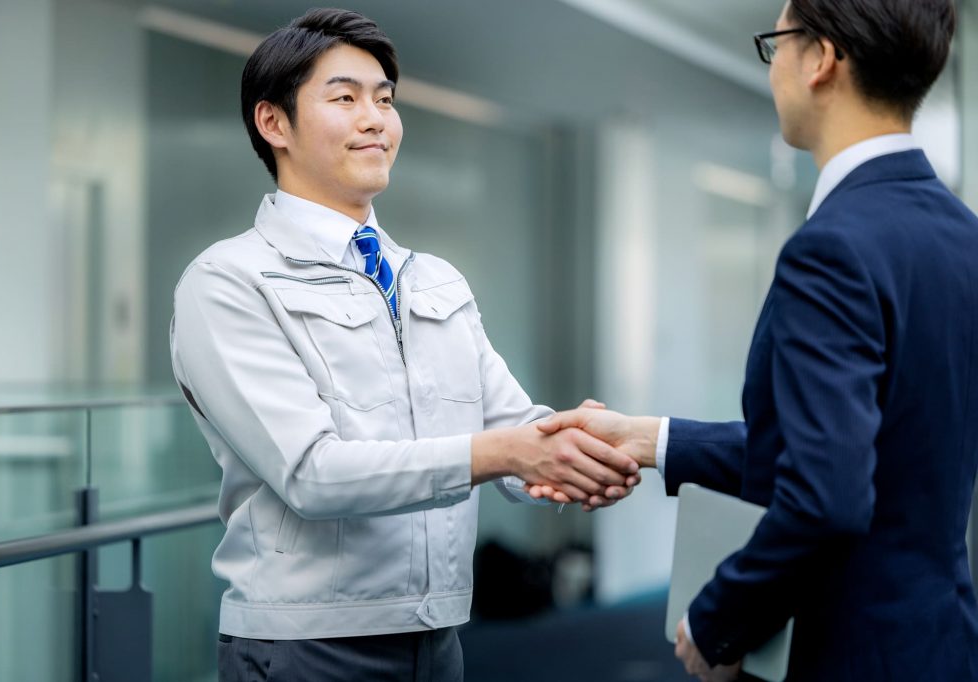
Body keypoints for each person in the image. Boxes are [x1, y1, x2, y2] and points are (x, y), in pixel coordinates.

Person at [169, 8, 637, 682]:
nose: (375, 119)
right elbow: (312, 473)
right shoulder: (229, 281)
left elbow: (510, 429)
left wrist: (577, 453)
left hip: (438, 636)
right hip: (308, 646)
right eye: (345, 98)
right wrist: (509, 450)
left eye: (385, 100)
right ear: (274, 124)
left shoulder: (434, 278)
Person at [537, 0, 978, 679]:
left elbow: (825, 497)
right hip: (939, 644)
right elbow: (871, 450)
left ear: (822, 59)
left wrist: (715, 619)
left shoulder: (833, 246)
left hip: (845, 655)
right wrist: (652, 440)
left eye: (778, 44)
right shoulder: (961, 235)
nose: (775, 71)